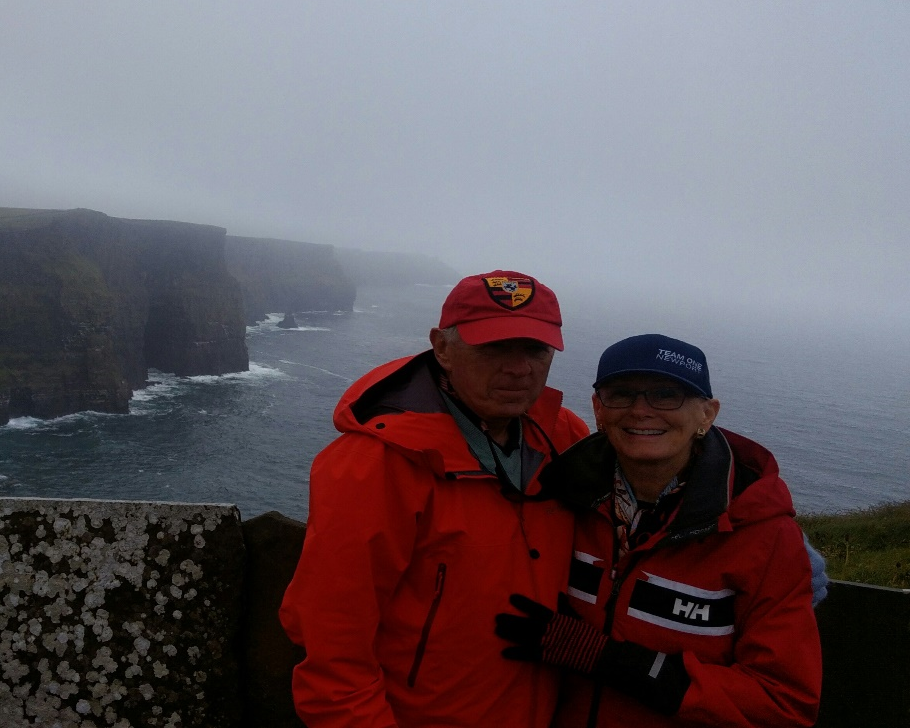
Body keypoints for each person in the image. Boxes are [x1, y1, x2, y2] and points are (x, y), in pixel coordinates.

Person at [279, 270, 590, 727]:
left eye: (536, 349)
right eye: (495, 347)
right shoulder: (374, 464)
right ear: (442, 348)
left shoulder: (565, 437)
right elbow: (333, 653)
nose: (519, 367)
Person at [496, 334, 822, 727]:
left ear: (707, 413)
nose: (641, 411)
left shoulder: (762, 537)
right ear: (598, 410)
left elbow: (783, 703)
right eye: (621, 394)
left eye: (666, 395)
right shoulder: (559, 498)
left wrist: (614, 662)